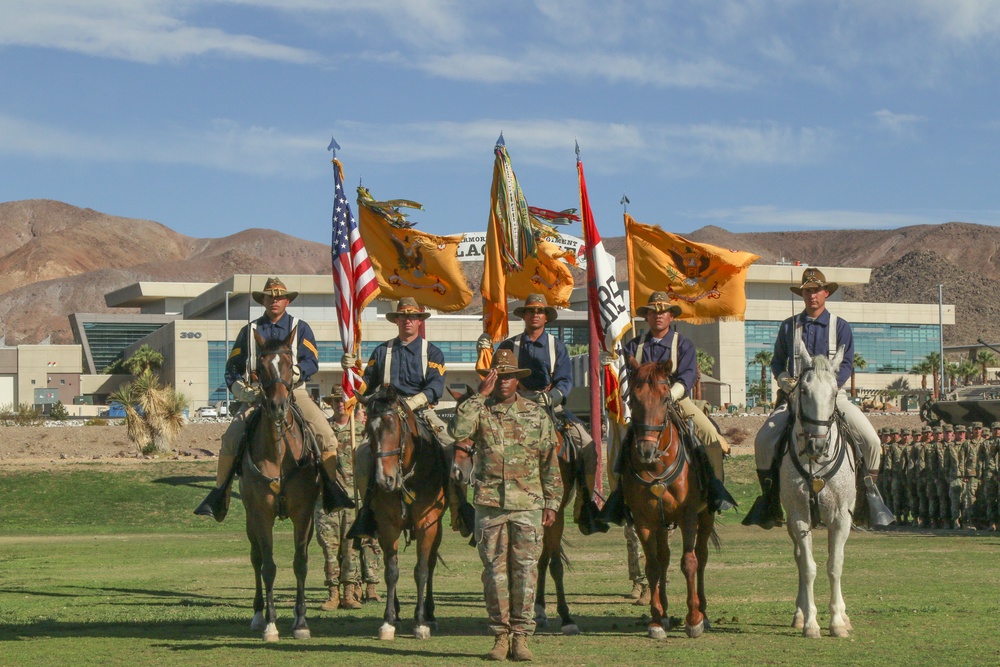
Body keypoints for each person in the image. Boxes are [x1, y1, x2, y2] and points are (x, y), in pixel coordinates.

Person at [745, 268, 883, 529]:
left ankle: (869, 501)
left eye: (816, 290)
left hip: (834, 398)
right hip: (796, 399)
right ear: (803, 294)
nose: (812, 295)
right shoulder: (789, 326)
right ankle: (770, 501)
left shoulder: (840, 326)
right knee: (763, 440)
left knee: (872, 441)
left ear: (826, 293)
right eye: (807, 291)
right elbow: (777, 362)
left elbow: (846, 365)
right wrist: (785, 380)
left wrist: (829, 389)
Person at [194, 277, 340, 521]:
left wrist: (295, 373)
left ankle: (332, 492)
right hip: (257, 395)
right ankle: (220, 496)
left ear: (287, 301)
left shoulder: (300, 327)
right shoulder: (249, 331)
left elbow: (311, 361)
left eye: (279, 297)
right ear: (263, 300)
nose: (274, 300)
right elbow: (232, 367)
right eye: (270, 297)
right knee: (230, 439)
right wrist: (242, 392)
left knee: (326, 436)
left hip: (295, 391)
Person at [449, 348, 562, 662]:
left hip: (528, 504)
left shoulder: (537, 414)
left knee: (526, 573)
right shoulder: (480, 411)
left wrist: (552, 501)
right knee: (494, 574)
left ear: (517, 380)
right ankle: (500, 636)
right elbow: (457, 431)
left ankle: (521, 638)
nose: (503, 381)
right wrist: (477, 397)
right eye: (496, 375)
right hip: (490, 504)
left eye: (509, 376)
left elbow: (549, 461)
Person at [604, 291, 734, 520]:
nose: (658, 316)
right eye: (653, 312)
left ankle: (716, 489)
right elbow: (622, 374)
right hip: (645, 406)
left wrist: (671, 395)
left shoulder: (683, 344)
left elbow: (689, 375)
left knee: (712, 437)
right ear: (647, 317)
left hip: (678, 400)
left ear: (671, 317)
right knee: (620, 443)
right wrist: (609, 362)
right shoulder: (634, 345)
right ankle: (618, 497)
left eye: (663, 312)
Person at [343, 297, 468, 534]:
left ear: (419, 322)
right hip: (387, 416)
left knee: (452, 449)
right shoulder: (381, 351)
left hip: (421, 412)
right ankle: (368, 510)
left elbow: (434, 387)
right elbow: (366, 387)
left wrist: (410, 404)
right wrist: (352, 371)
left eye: (413, 316)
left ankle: (459, 508)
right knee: (362, 454)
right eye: (403, 316)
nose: (408, 320)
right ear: (396, 320)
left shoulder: (432, 352)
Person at [494, 293, 600, 530]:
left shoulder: (557, 346)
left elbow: (564, 381)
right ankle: (478, 506)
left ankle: (586, 506)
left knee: (586, 445)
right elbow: (499, 377)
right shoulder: (508, 346)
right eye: (530, 311)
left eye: (539, 311)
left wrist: (550, 397)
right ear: (524, 316)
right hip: (514, 405)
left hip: (551, 404)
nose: (535, 315)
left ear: (546, 317)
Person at [315, 388, 363, 610]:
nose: (339, 405)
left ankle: (349, 594)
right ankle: (332, 594)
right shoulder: (322, 431)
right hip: (329, 500)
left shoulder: (361, 431)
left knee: (351, 548)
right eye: (335, 401)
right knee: (329, 548)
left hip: (354, 499)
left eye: (343, 400)